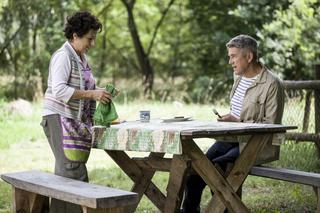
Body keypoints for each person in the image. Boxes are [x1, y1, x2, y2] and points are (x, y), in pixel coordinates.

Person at [181, 34, 284, 212]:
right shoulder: (239, 77)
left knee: (218, 171)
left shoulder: (272, 84)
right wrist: (231, 118)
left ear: (249, 56)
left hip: (256, 144)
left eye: (233, 56)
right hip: (230, 139)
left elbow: (271, 125)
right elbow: (240, 112)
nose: (230, 61)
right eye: (229, 56)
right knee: (196, 170)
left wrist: (238, 121)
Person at [40, 11, 111, 212]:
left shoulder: (81, 58)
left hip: (72, 120)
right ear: (75, 36)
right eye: (90, 38)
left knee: (66, 173)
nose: (92, 43)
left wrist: (101, 94)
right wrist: (92, 94)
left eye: (94, 38)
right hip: (58, 119)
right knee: (74, 172)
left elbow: (85, 87)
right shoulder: (63, 56)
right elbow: (59, 89)